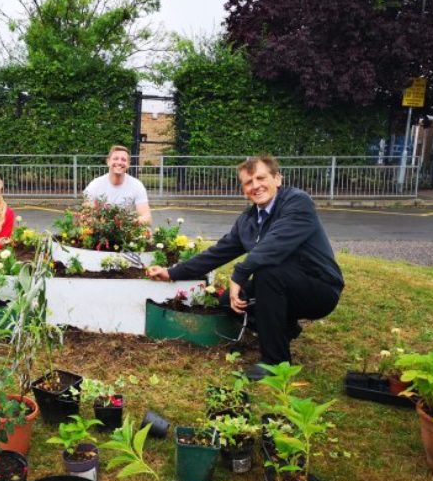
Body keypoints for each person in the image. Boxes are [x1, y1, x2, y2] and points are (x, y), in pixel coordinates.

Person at [147, 155, 344, 380]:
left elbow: (275, 244)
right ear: (243, 190)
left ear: (277, 178)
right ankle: (284, 329)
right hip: (282, 285)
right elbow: (219, 252)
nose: (256, 186)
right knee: (230, 303)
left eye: (261, 178)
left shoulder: (297, 203)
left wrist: (240, 273)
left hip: (319, 288)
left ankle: (275, 363)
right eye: (248, 183)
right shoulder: (248, 220)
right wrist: (171, 272)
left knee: (267, 271)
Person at [83, 145, 152, 224]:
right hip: (101, 232)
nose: (119, 162)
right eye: (115, 158)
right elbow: (86, 215)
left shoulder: (137, 185)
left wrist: (128, 222)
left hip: (127, 231)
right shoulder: (95, 185)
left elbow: (147, 217)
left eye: (123, 160)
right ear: (108, 162)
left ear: (128, 164)